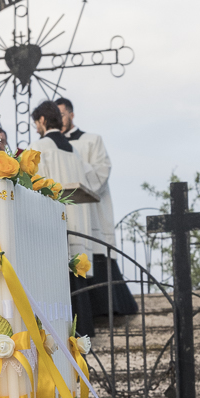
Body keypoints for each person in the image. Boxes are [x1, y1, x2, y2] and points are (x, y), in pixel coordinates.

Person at [54, 95, 137, 320]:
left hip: (90, 210)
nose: (60, 120)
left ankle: (108, 308)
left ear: (72, 114)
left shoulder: (92, 140)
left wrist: (73, 164)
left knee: (95, 252)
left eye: (62, 114)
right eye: (56, 116)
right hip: (66, 212)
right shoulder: (50, 147)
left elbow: (101, 172)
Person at [32, 102, 99, 333]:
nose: (36, 128)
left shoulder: (39, 147)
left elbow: (35, 187)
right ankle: (84, 330)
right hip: (78, 222)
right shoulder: (73, 151)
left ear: (42, 120)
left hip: (56, 223)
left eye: (36, 123)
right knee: (76, 276)